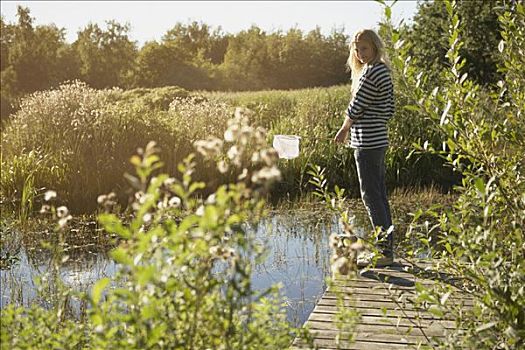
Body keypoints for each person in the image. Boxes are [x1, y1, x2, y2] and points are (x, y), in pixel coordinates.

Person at [334, 29, 395, 268]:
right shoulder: (382, 71)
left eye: (365, 48)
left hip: (368, 142)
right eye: (357, 49)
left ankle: (383, 252)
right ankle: (386, 249)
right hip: (377, 140)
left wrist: (344, 128)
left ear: (375, 47)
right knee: (378, 194)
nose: (360, 54)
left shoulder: (372, 72)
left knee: (371, 195)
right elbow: (389, 110)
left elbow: (356, 106)